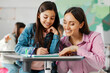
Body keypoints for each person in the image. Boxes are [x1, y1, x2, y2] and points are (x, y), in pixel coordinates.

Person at [15, 1, 60, 73]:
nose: (48, 21)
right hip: (27, 68)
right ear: (39, 15)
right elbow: (18, 48)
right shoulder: (30, 28)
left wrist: (56, 35)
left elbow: (53, 54)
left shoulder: (54, 33)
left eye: (52, 18)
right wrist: (35, 51)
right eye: (45, 17)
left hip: (45, 69)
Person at [57, 7, 105, 73]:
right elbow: (61, 71)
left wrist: (77, 49)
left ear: (81, 24)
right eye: (65, 22)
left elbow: (100, 64)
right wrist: (64, 58)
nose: (66, 27)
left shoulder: (94, 37)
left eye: (72, 24)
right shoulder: (62, 42)